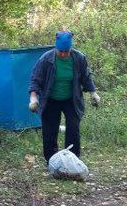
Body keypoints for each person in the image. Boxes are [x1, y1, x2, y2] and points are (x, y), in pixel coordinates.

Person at [28, 30, 100, 165]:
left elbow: (86, 77)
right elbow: (35, 79)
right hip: (51, 99)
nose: (63, 54)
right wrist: (33, 98)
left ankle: (72, 160)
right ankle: (52, 161)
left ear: (70, 49)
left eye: (66, 51)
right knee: (50, 130)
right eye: (60, 51)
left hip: (71, 99)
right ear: (56, 48)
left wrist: (93, 93)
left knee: (73, 128)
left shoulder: (79, 58)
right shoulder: (46, 59)